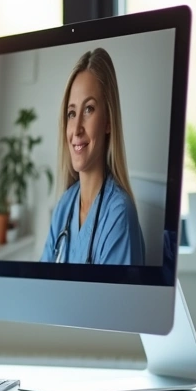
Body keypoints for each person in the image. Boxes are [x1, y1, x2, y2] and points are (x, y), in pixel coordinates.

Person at [39, 48, 145, 265]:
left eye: (88, 109)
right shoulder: (64, 207)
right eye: (71, 113)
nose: (76, 128)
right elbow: (40, 288)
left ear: (108, 121)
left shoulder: (118, 215)